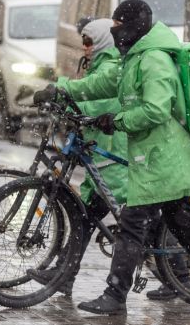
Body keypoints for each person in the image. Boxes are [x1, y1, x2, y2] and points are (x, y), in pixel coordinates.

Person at [34, 0, 190, 315]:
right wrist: (62, 89)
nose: (115, 33)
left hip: (164, 158)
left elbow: (156, 110)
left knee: (133, 225)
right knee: (184, 225)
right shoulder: (134, 58)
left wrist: (116, 120)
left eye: (118, 27)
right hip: (155, 157)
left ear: (132, 27)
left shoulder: (154, 60)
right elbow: (103, 83)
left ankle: (116, 296)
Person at [29, 18, 128, 295]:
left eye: (89, 42)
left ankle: (177, 274)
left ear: (103, 42)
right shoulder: (100, 64)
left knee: (140, 221)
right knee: (85, 218)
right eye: (83, 43)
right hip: (102, 158)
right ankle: (64, 275)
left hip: (115, 157)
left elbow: (98, 99)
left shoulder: (110, 66)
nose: (85, 48)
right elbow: (88, 92)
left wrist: (60, 92)